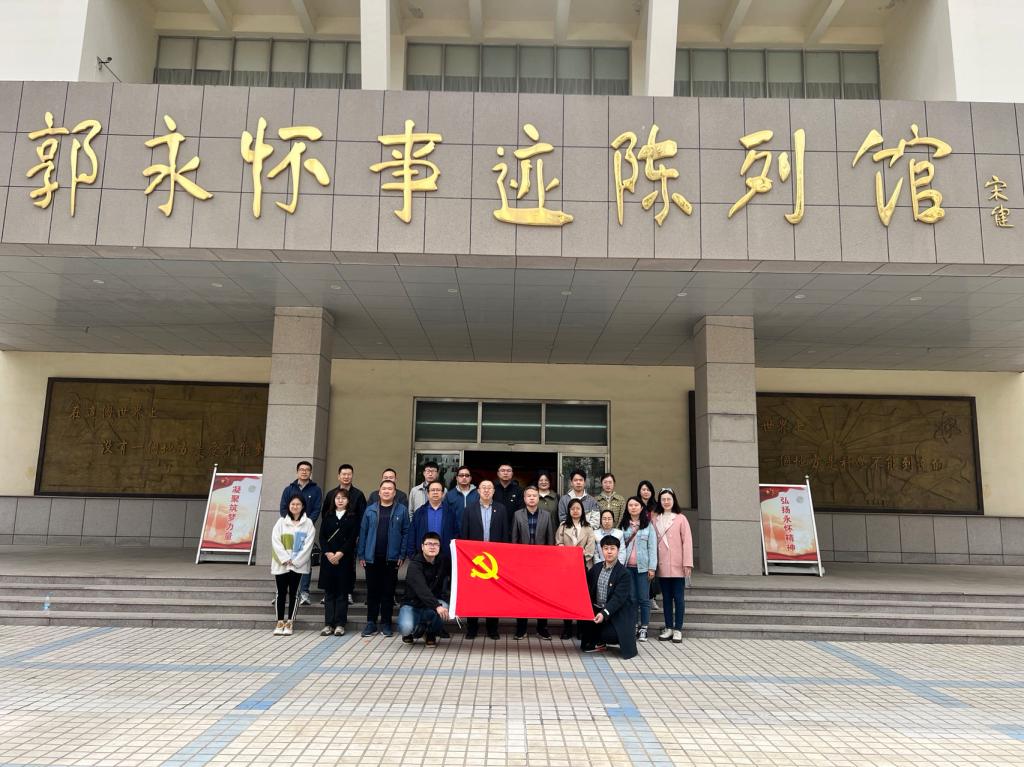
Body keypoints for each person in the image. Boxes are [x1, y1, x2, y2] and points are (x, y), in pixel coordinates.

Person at [356, 479, 410, 637]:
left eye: (390, 489)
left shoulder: (402, 510)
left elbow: (406, 533)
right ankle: (371, 623)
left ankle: (386, 623)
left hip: (391, 559)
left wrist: (402, 554)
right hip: (372, 558)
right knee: (372, 592)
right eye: (384, 489)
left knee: (388, 592)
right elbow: (363, 532)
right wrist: (361, 554)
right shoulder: (370, 510)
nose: (386, 491)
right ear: (379, 492)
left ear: (395, 493)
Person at [460, 479, 508, 640]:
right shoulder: (469, 509)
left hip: (495, 560)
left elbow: (505, 534)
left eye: (489, 488)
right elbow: (464, 534)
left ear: (494, 491)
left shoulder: (501, 509)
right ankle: (472, 628)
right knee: (473, 594)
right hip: (474, 559)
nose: (486, 490)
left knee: (493, 595)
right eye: (483, 488)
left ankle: (492, 629)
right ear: (478, 491)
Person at [579, 535, 638, 659]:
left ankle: (602, 639)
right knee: (584, 634)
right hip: (597, 610)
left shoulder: (624, 573)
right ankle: (597, 640)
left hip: (616, 613)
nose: (609, 552)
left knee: (609, 635)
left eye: (612, 548)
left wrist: (604, 613)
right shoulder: (596, 568)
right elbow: (582, 580)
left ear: (618, 550)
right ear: (602, 550)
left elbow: (618, 599)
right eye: (606, 548)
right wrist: (581, 558)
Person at [511, 485, 554, 640]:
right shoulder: (517, 515)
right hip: (522, 563)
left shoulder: (546, 515)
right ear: (524, 498)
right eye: (528, 495)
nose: (531, 498)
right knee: (521, 596)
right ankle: (521, 628)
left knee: (542, 595)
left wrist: (548, 561)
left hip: (541, 563)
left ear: (538, 498)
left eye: (534, 495)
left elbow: (550, 540)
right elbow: (514, 539)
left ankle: (542, 628)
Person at [270, 494, 316, 636]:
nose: (295, 506)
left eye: (298, 504)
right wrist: (285, 559)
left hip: (298, 565)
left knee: (294, 593)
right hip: (281, 564)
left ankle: (290, 622)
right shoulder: (281, 522)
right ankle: (279, 622)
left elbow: (308, 545)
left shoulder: (308, 523)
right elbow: (275, 541)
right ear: (288, 506)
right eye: (293, 504)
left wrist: (295, 561)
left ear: (303, 506)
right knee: (281, 593)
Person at [278, 460, 323, 606]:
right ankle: (283, 593)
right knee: (287, 560)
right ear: (297, 472)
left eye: (307, 470)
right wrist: (292, 523)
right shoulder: (289, 489)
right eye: (301, 469)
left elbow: (317, 509)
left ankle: (304, 592)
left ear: (310, 472)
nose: (304, 472)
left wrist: (306, 523)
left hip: (306, 530)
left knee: (304, 560)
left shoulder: (316, 490)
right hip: (289, 530)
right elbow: (283, 508)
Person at [652, 488, 693, 644]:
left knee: (679, 598)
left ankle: (678, 629)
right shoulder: (655, 519)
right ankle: (668, 627)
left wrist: (687, 563)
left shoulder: (681, 518)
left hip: (678, 564)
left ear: (673, 500)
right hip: (662, 565)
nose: (666, 502)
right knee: (667, 599)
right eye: (663, 499)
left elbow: (687, 542)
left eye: (669, 499)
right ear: (659, 501)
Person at [398, 532, 451, 647]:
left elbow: (456, 574)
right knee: (405, 627)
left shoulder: (443, 561)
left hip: (430, 606)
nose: (432, 547)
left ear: (439, 547)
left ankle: (430, 633)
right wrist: (437, 606)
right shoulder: (414, 565)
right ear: (422, 546)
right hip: (412, 605)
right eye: (429, 544)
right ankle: (412, 632)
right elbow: (422, 589)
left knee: (445, 607)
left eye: (436, 544)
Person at [318, 488, 359, 636]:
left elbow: (352, 538)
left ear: (348, 501)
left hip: (344, 559)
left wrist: (340, 553)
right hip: (328, 559)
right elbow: (322, 537)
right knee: (329, 593)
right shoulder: (328, 516)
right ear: (333, 500)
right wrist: (328, 553)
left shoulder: (353, 517)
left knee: (342, 593)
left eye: (343, 498)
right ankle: (328, 624)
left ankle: (340, 624)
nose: (340, 500)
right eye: (337, 498)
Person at [618, 496, 658, 643]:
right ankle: (634, 625)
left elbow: (652, 548)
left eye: (636, 505)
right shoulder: (623, 526)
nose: (633, 507)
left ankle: (644, 628)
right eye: (630, 505)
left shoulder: (648, 526)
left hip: (643, 569)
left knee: (644, 599)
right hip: (627, 568)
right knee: (632, 599)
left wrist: (652, 568)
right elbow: (620, 547)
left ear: (641, 508)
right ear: (627, 508)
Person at [554, 497, 596, 640]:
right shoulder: (563, 526)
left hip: (583, 567)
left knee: (580, 598)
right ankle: (567, 628)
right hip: (566, 568)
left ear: (582, 510)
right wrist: (567, 554)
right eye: (572, 509)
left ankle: (580, 628)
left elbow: (590, 549)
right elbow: (558, 543)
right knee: (566, 598)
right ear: (569, 511)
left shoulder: (588, 527)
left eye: (578, 508)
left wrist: (580, 556)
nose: (575, 511)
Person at [405, 479, 460, 561]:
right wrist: (412, 555)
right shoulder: (419, 512)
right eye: (432, 490)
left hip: (445, 557)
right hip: (423, 557)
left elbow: (456, 534)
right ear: (428, 493)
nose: (435, 492)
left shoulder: (450, 512)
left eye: (438, 490)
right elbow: (412, 534)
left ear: (442, 493)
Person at [636, 479, 659, 611]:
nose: (646, 492)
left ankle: (651, 597)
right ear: (639, 491)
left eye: (648, 490)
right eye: (643, 489)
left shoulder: (656, 507)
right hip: (640, 541)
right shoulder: (635, 505)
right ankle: (643, 598)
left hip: (654, 540)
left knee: (652, 570)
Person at [492, 462, 522, 527]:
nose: (505, 473)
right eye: (503, 470)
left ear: (512, 473)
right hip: (495, 525)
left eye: (508, 471)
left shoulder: (519, 490)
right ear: (498, 473)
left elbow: (521, 510)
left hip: (513, 526)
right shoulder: (492, 490)